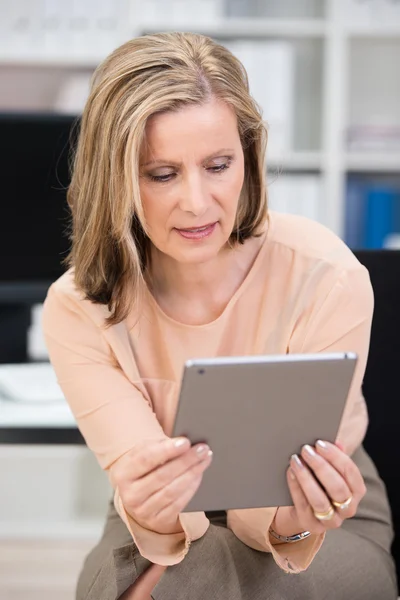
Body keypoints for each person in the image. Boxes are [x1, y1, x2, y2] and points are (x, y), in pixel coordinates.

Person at [42, 32, 397, 600]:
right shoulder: (79, 306)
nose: (199, 202)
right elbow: (153, 501)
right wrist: (157, 524)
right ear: (116, 180)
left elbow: (293, 511)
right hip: (158, 515)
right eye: (162, 174)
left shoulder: (328, 274)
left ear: (248, 158)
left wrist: (293, 521)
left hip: (318, 510)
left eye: (218, 165)